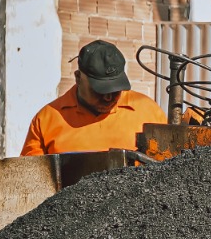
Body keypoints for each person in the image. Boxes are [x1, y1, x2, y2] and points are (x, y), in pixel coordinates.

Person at [21, 40, 166, 156]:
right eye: (100, 91)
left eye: (116, 90)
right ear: (78, 78)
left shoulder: (149, 113)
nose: (108, 98)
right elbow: (31, 182)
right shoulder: (46, 120)